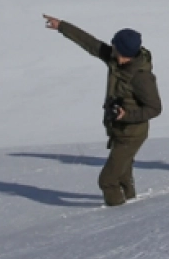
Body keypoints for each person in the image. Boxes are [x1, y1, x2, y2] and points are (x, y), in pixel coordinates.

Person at [43, 15, 162, 205]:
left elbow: (155, 108)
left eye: (114, 45)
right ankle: (133, 206)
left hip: (131, 134)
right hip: (118, 130)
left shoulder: (141, 77)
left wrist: (127, 115)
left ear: (124, 51)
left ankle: (117, 217)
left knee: (107, 180)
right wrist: (62, 27)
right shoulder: (115, 59)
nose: (111, 47)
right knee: (122, 174)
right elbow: (91, 44)